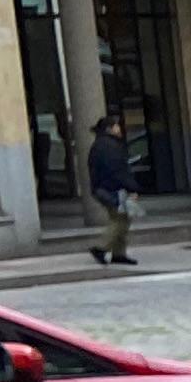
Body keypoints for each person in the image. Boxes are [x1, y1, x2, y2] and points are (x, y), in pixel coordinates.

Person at [86, 108, 136, 265]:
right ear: (109, 129)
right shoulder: (109, 146)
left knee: (121, 218)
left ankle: (119, 254)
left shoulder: (101, 144)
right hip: (112, 189)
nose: (119, 128)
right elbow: (118, 170)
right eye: (116, 126)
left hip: (103, 188)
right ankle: (101, 248)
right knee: (120, 219)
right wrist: (131, 188)